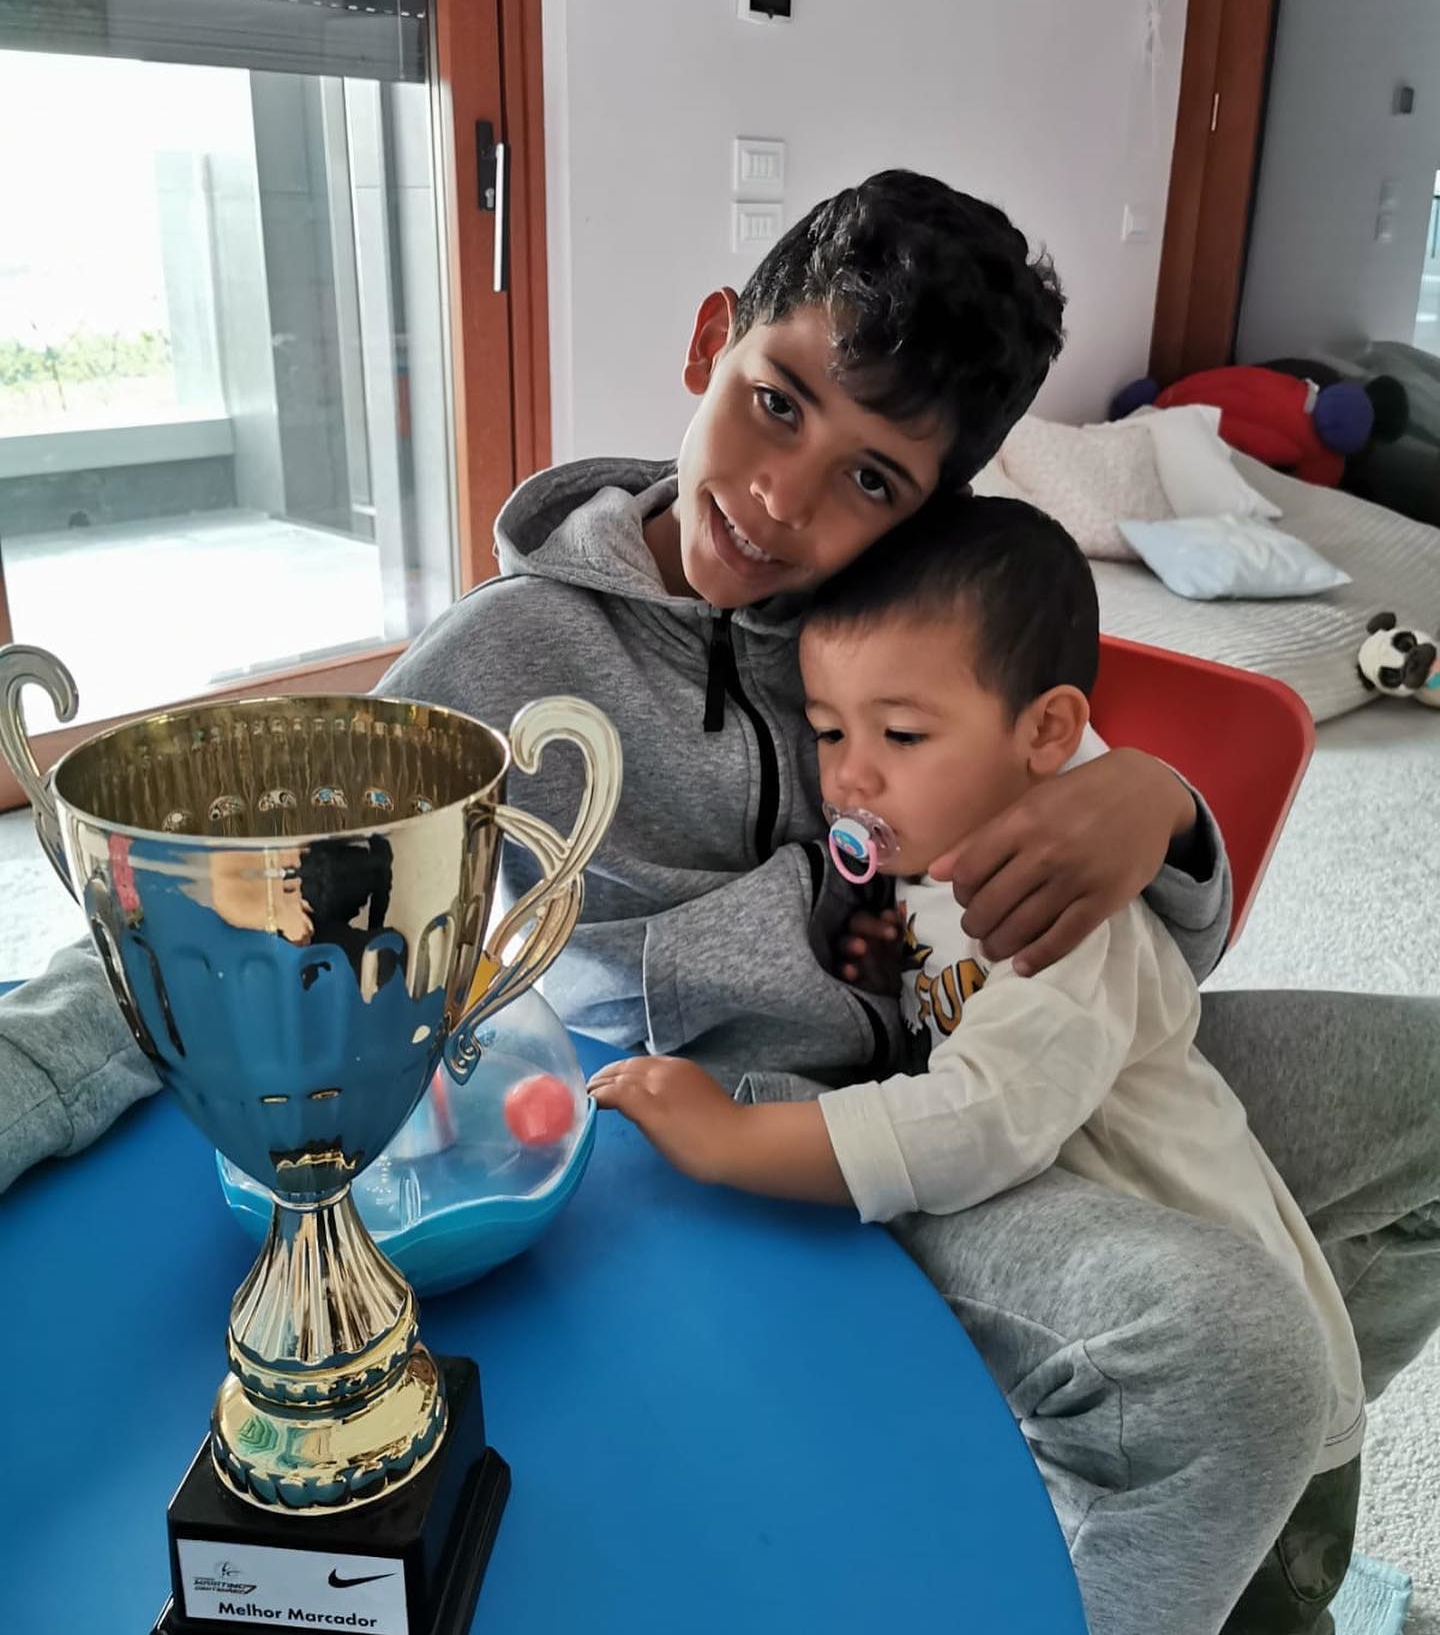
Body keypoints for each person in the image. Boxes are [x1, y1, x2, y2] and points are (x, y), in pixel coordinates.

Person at [2, 172, 1435, 1635]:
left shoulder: (903, 635)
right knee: (1222, 1360)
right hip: (799, 1132)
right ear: (712, 341)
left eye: (875, 479)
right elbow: (240, 902)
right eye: (780, 401)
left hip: (1004, 1040)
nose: (784, 496)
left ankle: (1243, 1516)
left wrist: (1155, 808)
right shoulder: (512, 653)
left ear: (937, 508)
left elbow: (1139, 951)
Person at [589, 492, 1368, 1631]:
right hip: (1098, 1358)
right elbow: (891, 975)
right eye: (827, 729)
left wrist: (739, 1136)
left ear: (1048, 735)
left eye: (900, 736)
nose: (851, 776)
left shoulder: (1069, 914)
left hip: (1238, 1452)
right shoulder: (925, 847)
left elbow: (977, 1120)